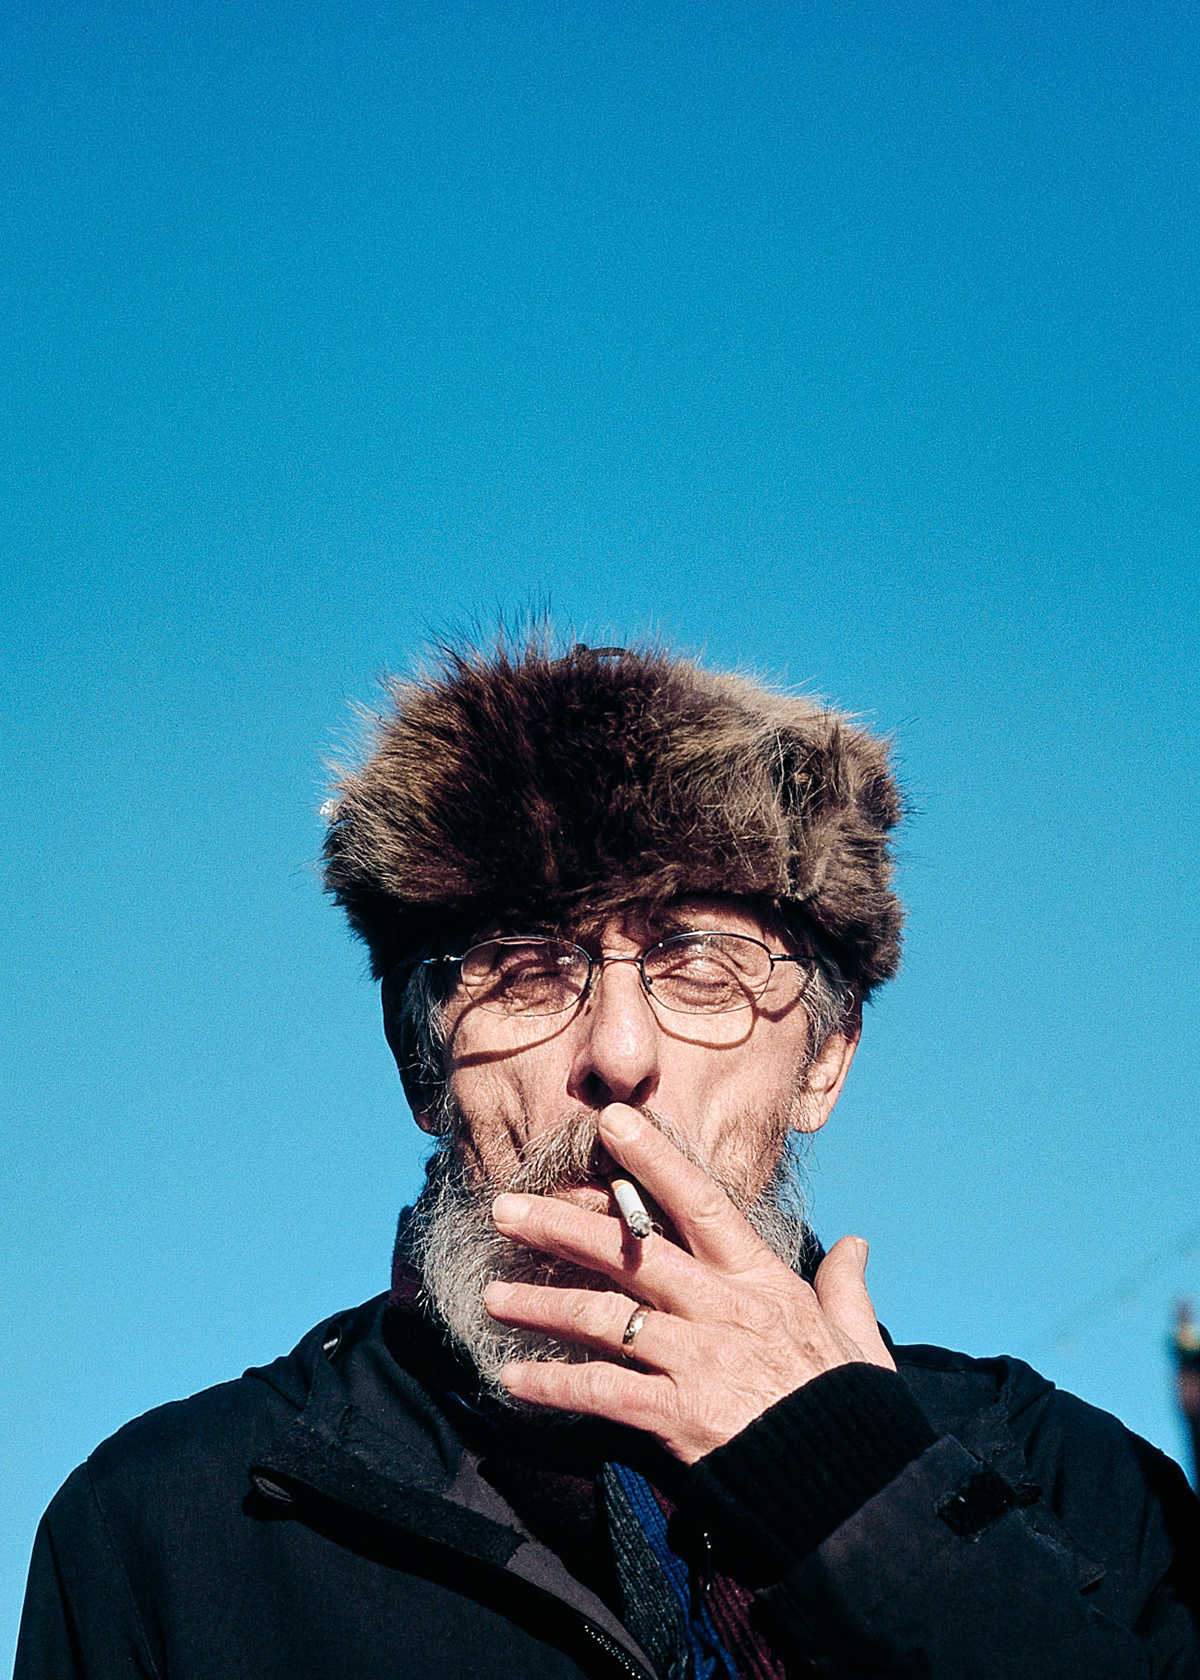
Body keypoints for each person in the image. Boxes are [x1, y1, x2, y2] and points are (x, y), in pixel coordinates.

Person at [17, 639, 1200, 1678]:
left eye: (704, 971)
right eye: (527, 971)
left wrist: (859, 1494)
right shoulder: (172, 1525)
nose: (618, 1056)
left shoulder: (1076, 1483)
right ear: (422, 1065)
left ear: (825, 1061)